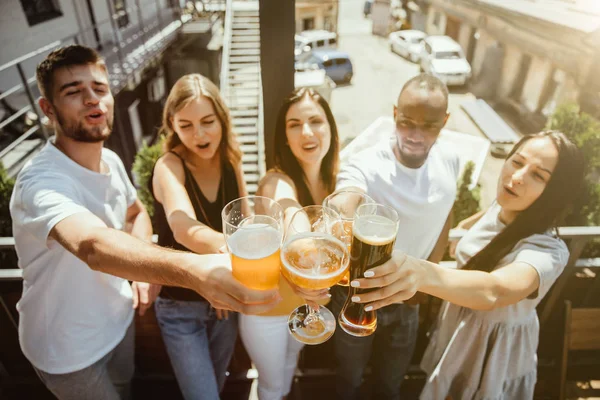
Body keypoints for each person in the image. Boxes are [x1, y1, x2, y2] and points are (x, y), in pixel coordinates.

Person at [9, 45, 280, 400]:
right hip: (67, 348)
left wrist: (142, 270)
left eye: (100, 89)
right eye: (74, 92)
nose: (92, 100)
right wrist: (199, 272)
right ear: (47, 109)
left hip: (121, 323)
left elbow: (136, 214)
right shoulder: (40, 183)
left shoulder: (110, 160)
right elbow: (92, 245)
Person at [352, 131, 585, 399]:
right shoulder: (502, 207)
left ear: (555, 193)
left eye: (539, 176)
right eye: (517, 162)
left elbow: (494, 290)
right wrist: (459, 229)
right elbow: (478, 220)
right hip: (459, 329)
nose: (517, 177)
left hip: (491, 351)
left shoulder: (548, 251)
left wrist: (421, 271)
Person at [330, 73, 460, 399]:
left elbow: (447, 214)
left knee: (391, 385)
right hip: (358, 296)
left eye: (429, 125)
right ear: (394, 114)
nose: (415, 134)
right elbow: (348, 194)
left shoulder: (451, 160)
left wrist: (428, 279)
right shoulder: (366, 161)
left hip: (409, 301)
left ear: (444, 122)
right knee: (348, 380)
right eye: (406, 122)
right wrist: (340, 212)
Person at [149, 73, 246, 399]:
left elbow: (243, 220)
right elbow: (182, 228)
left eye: (208, 121)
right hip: (180, 307)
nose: (199, 134)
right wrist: (237, 254)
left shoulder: (232, 160)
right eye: (186, 125)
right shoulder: (169, 165)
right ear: (172, 125)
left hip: (225, 302)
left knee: (215, 387)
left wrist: (224, 279)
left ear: (222, 118)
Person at [239, 87, 340, 400]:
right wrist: (301, 240)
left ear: (331, 129)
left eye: (315, 121)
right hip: (267, 310)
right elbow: (288, 207)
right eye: (294, 124)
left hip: (307, 306)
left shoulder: (338, 182)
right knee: (270, 386)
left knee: (288, 372)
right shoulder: (275, 180)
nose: (306, 132)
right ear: (284, 137)